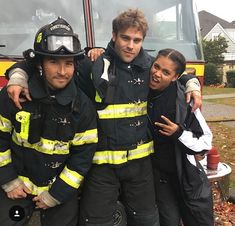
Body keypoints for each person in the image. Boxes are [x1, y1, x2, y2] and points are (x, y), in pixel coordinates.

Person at [5, 9, 202, 226]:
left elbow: (175, 73)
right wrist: (17, 77)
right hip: (101, 166)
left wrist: (193, 85)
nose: (130, 45)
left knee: (147, 219)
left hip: (140, 166)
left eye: (137, 40)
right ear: (114, 36)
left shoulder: (149, 66)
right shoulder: (94, 63)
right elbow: (42, 61)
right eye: (125, 38)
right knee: (95, 221)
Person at [0, 17, 98, 226]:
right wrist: (9, 181)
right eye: (54, 62)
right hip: (17, 187)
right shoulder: (14, 96)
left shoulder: (83, 108)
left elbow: (81, 159)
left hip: (58, 192)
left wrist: (55, 195)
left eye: (68, 63)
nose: (62, 72)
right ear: (40, 64)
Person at [148, 48, 214, 226]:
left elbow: (205, 141)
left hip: (186, 177)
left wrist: (178, 133)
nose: (157, 74)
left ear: (175, 77)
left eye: (166, 72)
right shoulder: (140, 90)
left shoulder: (184, 101)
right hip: (160, 180)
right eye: (156, 67)